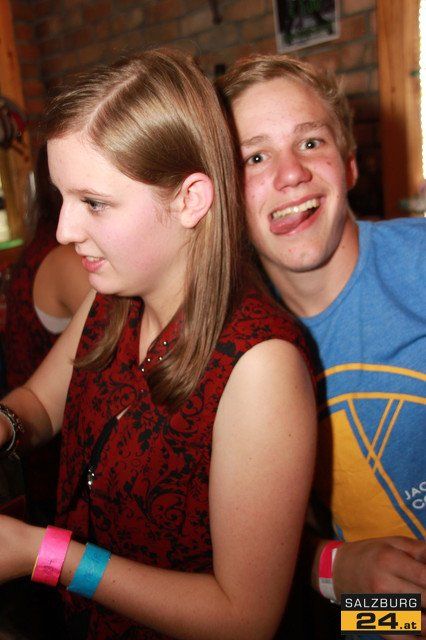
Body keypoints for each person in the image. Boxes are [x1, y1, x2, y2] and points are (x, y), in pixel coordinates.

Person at [0, 49, 316, 640]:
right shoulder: (112, 299)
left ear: (190, 199)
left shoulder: (260, 367)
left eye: (94, 203)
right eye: (63, 199)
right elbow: (40, 404)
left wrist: (47, 556)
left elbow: (244, 619)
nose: (65, 230)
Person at [218, 54, 426, 640]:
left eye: (310, 143)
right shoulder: (233, 353)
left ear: (350, 165)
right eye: (254, 157)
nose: (290, 174)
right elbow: (241, 554)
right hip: (372, 619)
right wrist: (335, 567)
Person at [5, 144, 90, 525]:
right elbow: (41, 400)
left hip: (44, 469)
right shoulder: (69, 259)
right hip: (58, 468)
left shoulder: (40, 250)